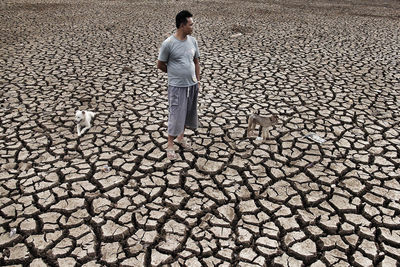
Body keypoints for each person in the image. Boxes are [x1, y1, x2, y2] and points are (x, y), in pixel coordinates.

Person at [157, 10, 201, 160]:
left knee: (187, 113)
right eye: (190, 24)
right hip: (177, 86)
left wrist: (198, 80)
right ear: (182, 25)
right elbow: (160, 64)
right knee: (176, 114)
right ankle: (170, 144)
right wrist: (174, 73)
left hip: (192, 85)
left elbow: (196, 61)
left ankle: (180, 138)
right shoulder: (168, 44)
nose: (193, 27)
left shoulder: (193, 41)